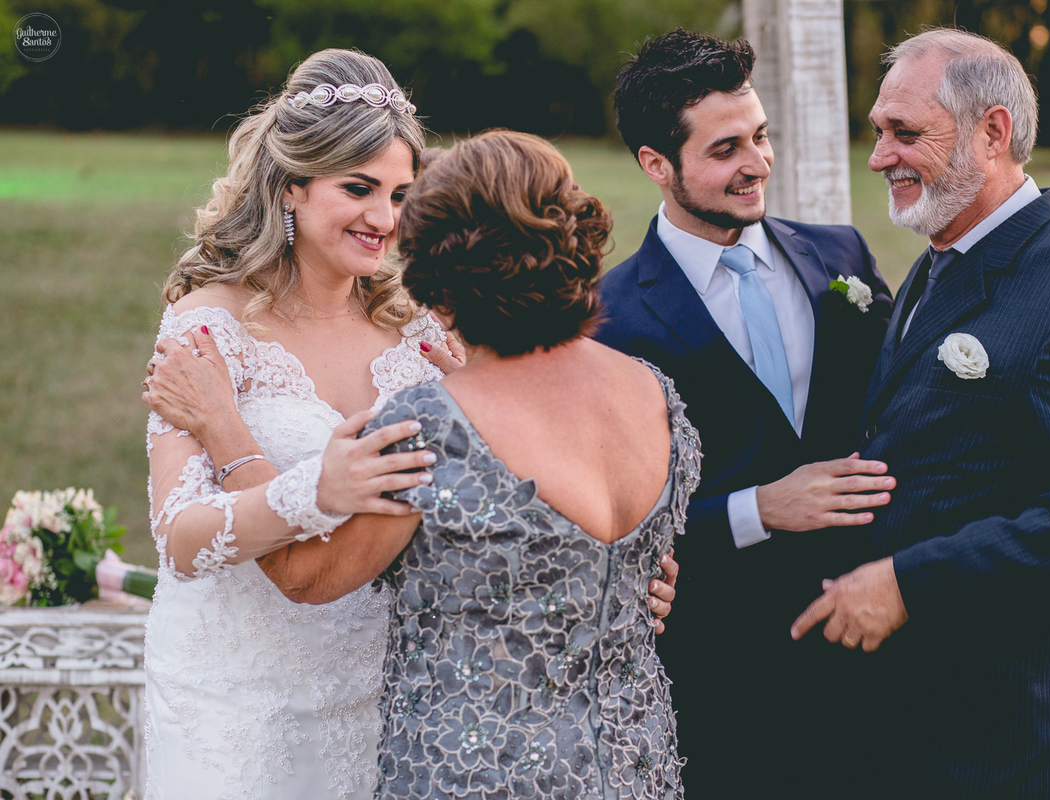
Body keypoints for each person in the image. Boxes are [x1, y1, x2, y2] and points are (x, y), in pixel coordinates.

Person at [140, 54, 680, 799]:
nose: (383, 219)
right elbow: (179, 536)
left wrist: (603, 575)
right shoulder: (209, 326)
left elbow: (502, 463)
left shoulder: (419, 329)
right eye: (357, 188)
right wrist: (303, 482)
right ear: (292, 184)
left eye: (400, 195)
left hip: (392, 703)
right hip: (243, 700)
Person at [252, 129, 700, 800]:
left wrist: (223, 432)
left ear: (438, 278)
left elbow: (304, 576)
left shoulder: (430, 427)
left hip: (476, 776)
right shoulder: (654, 394)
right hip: (635, 766)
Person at [790, 28, 1050, 799]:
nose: (880, 156)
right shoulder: (940, 257)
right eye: (878, 131)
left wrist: (910, 582)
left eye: (905, 133)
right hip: (907, 725)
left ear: (992, 133)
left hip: (1009, 736)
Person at [592, 28, 895, 797]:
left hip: (868, 649)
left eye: (759, 137)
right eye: (725, 149)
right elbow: (608, 523)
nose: (757, 163)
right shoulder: (608, 319)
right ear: (657, 165)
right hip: (718, 672)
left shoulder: (841, 258)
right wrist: (756, 509)